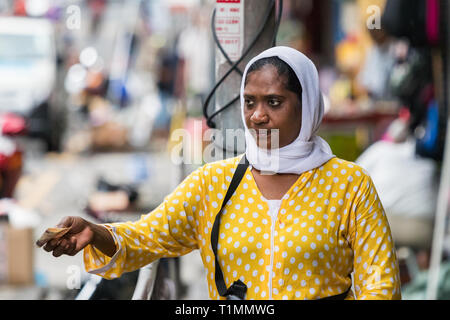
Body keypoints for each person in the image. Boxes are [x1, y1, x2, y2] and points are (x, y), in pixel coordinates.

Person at [37, 47, 401, 300]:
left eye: (274, 102)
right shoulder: (213, 184)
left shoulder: (350, 186)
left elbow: (381, 285)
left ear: (307, 107)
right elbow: (147, 237)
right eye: (249, 102)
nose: (257, 116)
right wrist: (94, 232)